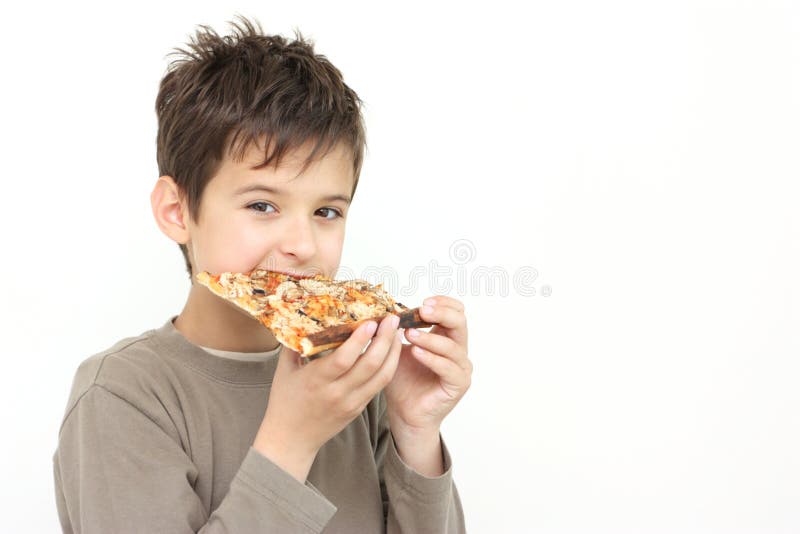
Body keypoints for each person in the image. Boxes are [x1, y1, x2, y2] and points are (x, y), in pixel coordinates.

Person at [53, 16, 471, 533]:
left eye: (326, 212)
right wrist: (290, 441)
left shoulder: (357, 382)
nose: (300, 245)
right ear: (177, 211)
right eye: (262, 205)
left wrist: (415, 430)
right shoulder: (123, 395)